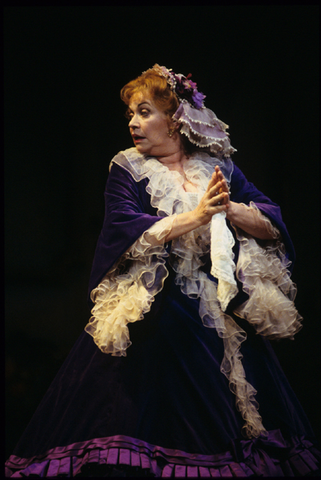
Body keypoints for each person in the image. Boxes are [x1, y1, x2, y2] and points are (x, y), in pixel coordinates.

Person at [5, 64, 320, 477]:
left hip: (218, 310)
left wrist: (229, 208)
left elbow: (271, 223)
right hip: (157, 306)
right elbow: (121, 226)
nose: (134, 123)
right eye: (131, 115)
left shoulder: (217, 167)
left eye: (144, 112)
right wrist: (196, 215)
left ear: (175, 120)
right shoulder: (128, 167)